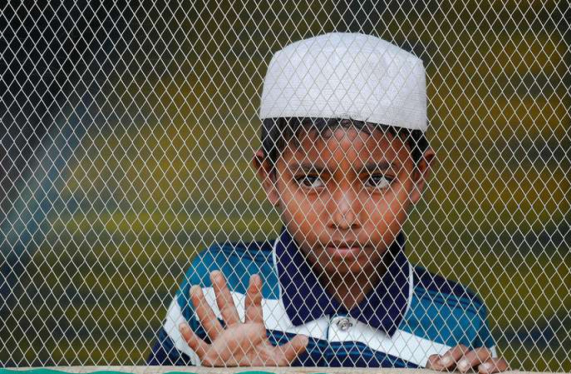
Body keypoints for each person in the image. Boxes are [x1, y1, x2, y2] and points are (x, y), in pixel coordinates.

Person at [147, 32, 509, 373]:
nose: (345, 216)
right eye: (311, 180)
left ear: (418, 176)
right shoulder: (219, 289)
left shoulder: (456, 321)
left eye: (378, 180)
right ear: (269, 177)